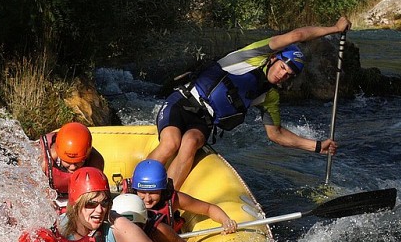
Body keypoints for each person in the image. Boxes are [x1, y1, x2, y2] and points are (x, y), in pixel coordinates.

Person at [150, 16, 351, 189]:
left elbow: (276, 134)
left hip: (202, 121)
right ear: (273, 59)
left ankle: (164, 200)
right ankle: (135, 191)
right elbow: (297, 36)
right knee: (171, 143)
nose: (283, 75)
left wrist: (317, 146)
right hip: (182, 102)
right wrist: (334, 29)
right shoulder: (253, 55)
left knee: (190, 143)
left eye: (288, 75)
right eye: (282, 67)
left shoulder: (269, 96)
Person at [129, 159, 237, 234]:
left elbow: (209, 208)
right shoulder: (126, 199)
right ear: (135, 189)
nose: (147, 199)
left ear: (162, 189)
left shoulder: (174, 200)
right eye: (142, 192)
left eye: (153, 193)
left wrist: (226, 221)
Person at [110, 194, 196, 242]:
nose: (127, 231)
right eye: (122, 227)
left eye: (134, 226)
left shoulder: (159, 232)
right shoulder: (104, 234)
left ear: (144, 224)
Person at [39, 122, 105, 212]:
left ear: (87, 156)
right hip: (50, 198)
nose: (73, 167)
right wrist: (46, 200)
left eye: (78, 162)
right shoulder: (44, 162)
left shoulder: (96, 162)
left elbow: (96, 194)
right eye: (68, 162)